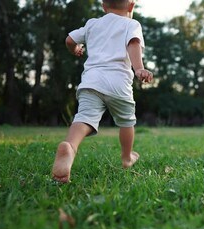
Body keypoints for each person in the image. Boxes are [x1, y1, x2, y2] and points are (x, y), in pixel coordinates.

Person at [52, 0, 153, 183]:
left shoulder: (92, 23)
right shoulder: (131, 24)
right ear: (131, 7)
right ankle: (126, 157)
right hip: (119, 83)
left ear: (103, 7)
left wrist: (75, 49)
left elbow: (69, 40)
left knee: (84, 118)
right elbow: (133, 43)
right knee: (126, 121)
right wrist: (138, 68)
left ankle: (70, 146)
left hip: (91, 82)